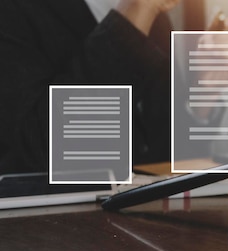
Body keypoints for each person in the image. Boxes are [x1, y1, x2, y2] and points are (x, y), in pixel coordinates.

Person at [0, 0, 181, 174]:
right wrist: (135, 13)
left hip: (156, 201)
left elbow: (164, 143)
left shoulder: (156, 15)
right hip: (64, 203)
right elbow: (36, 149)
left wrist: (199, 109)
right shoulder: (13, 9)